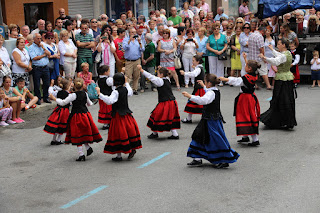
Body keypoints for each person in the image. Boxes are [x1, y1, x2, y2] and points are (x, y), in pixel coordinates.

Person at [182, 74, 239, 168]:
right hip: (209, 118)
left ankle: (224, 158)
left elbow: (204, 100)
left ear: (209, 83)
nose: (204, 83)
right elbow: (208, 92)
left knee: (216, 139)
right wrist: (203, 86)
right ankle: (197, 158)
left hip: (211, 120)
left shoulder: (211, 93)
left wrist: (190, 96)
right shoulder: (214, 90)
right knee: (199, 135)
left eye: (205, 81)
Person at [49, 78, 102, 161]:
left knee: (77, 134)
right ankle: (88, 148)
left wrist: (54, 99)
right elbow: (89, 103)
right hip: (85, 115)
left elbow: (63, 102)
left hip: (76, 116)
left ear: (74, 85)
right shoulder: (85, 94)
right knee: (83, 132)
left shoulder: (73, 95)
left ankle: (81, 154)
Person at [96, 73, 142, 161]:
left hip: (118, 115)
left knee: (117, 134)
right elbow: (130, 92)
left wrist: (99, 94)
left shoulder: (116, 92)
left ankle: (119, 155)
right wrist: (127, 82)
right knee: (128, 132)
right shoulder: (125, 89)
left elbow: (109, 101)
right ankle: (130, 149)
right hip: (126, 114)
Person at [220, 54, 261, 146]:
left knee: (247, 116)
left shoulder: (246, 78)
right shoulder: (253, 74)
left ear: (249, 68)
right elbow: (247, 70)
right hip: (250, 98)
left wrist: (225, 79)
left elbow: (237, 81)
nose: (245, 66)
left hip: (245, 99)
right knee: (247, 115)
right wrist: (246, 59)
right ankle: (245, 136)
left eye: (246, 66)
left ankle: (255, 139)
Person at [259, 38, 297, 129]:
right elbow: (278, 55)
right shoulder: (287, 53)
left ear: (283, 45)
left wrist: (264, 58)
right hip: (286, 78)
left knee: (280, 99)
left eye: (279, 44)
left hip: (282, 79)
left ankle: (279, 120)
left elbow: (276, 61)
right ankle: (285, 120)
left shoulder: (284, 55)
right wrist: (272, 49)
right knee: (285, 99)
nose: (278, 46)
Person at [138, 65, 180, 139]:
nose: (157, 75)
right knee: (170, 118)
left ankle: (155, 133)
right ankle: (175, 134)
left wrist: (142, 70)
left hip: (165, 102)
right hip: (172, 102)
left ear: (161, 74)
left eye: (158, 73)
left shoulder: (160, 81)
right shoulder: (167, 79)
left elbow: (151, 77)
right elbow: (160, 74)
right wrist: (160, 69)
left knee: (156, 116)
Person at [44, 78, 71, 145]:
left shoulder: (58, 92)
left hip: (58, 110)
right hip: (65, 112)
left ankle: (54, 139)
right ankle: (58, 140)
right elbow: (70, 103)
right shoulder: (68, 94)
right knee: (63, 126)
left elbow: (51, 92)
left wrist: (51, 85)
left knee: (57, 125)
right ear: (67, 86)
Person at [180, 55, 205, 123]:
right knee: (195, 102)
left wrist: (184, 73)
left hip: (199, 88)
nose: (192, 62)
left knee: (194, 102)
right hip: (199, 87)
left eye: (193, 61)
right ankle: (189, 118)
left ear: (198, 61)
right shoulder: (199, 67)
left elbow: (194, 74)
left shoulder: (198, 69)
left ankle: (190, 118)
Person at [28, 33, 51, 104]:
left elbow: (49, 54)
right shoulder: (31, 48)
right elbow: (34, 58)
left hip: (45, 67)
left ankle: (45, 97)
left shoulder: (43, 45)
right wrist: (43, 55)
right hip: (37, 68)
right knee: (37, 84)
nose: (39, 40)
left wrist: (44, 48)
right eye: (37, 38)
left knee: (46, 83)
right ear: (34, 39)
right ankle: (38, 98)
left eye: (40, 38)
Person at [123, 27, 145, 95]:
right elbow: (125, 47)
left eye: (135, 32)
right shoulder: (126, 39)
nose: (134, 34)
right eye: (132, 32)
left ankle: (134, 89)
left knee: (137, 75)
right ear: (129, 33)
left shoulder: (138, 40)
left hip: (137, 60)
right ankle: (126, 89)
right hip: (129, 61)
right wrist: (129, 40)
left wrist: (140, 43)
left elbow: (143, 49)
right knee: (128, 75)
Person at [97, 65, 113, 130]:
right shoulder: (108, 79)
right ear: (105, 72)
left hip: (101, 97)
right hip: (108, 96)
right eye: (109, 71)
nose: (109, 72)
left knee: (103, 109)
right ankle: (108, 122)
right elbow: (112, 84)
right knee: (108, 110)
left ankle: (105, 123)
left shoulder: (98, 80)